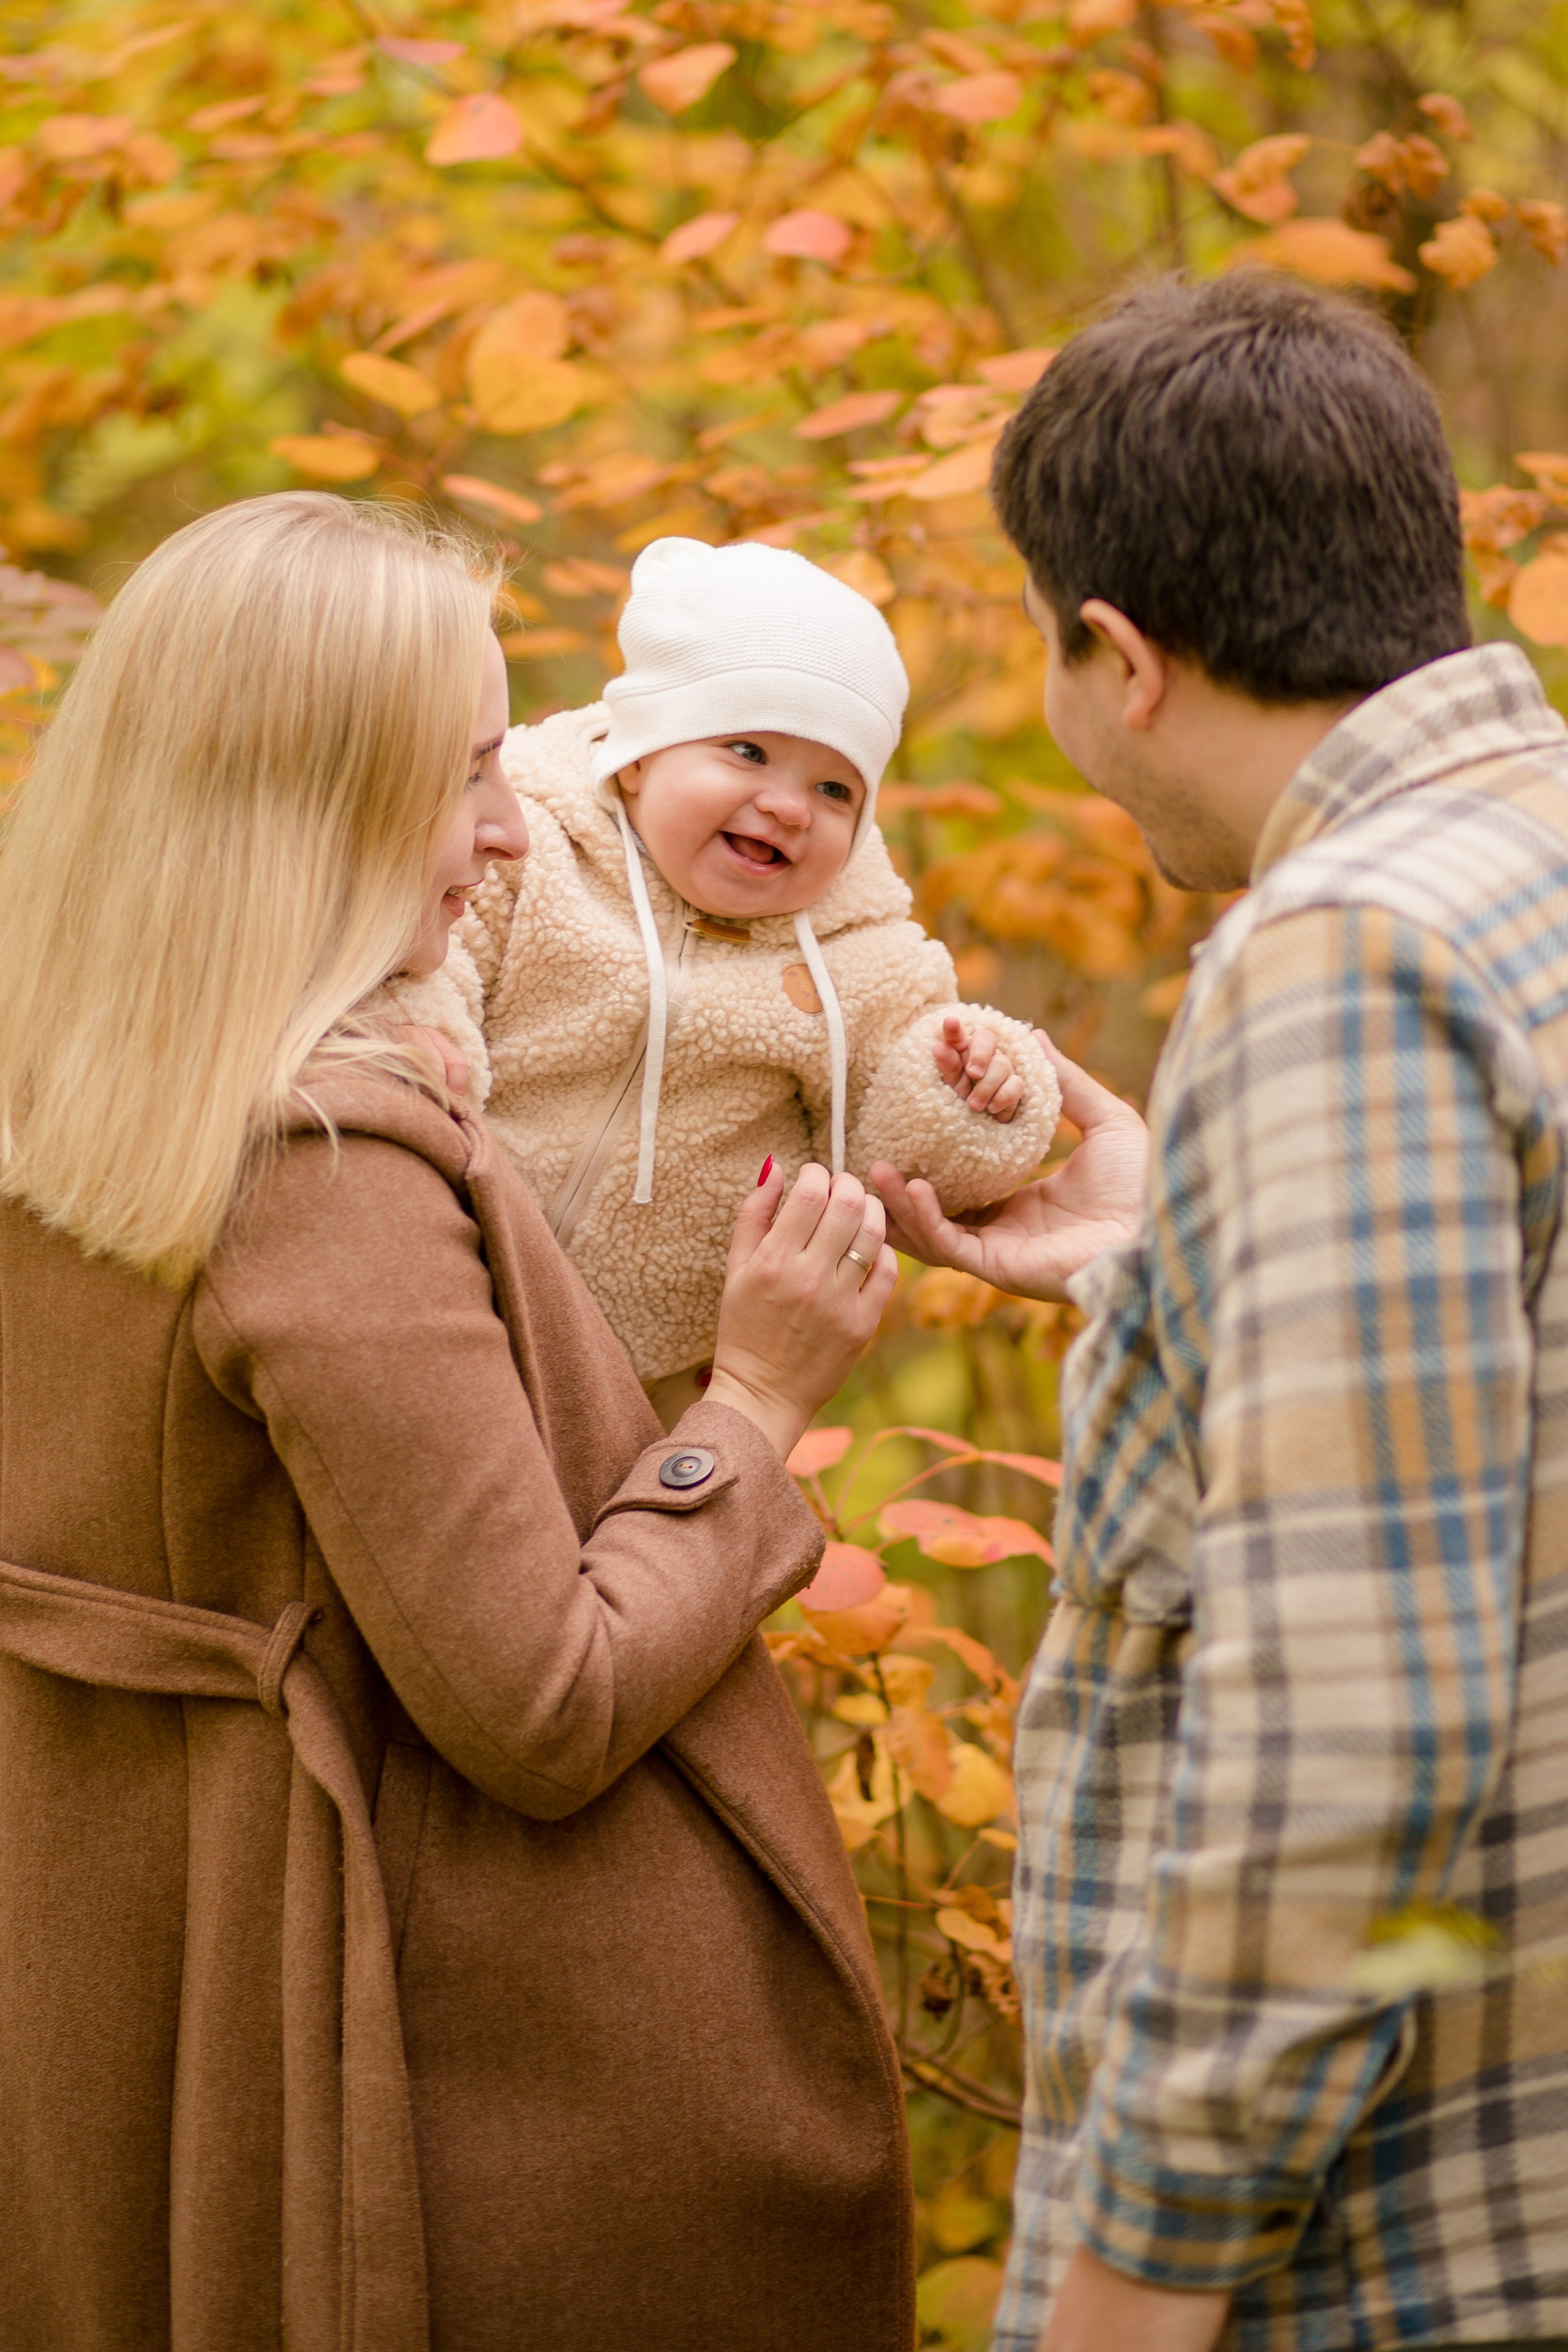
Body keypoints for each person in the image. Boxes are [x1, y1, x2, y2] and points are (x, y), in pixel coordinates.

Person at [0, 489, 918, 2352]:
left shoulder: (65, 1092)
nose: (513, 836)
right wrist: (752, 1401)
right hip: (353, 2056)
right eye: (472, 773)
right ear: (302, 803)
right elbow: (548, 1703)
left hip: (104, 2003)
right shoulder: (320, 1165)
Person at [872, 272, 1568, 2352]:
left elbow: (1346, 1739)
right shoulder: (1521, 873)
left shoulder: (1344, 961)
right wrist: (1164, 1246)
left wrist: (1135, 2286)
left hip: (1388, 2256)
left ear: (1117, 656)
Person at [388, 533, 1059, 1421]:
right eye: (747, 751)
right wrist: (420, 1039)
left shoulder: (857, 951)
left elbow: (894, 1146)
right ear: (637, 753)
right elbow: (429, 953)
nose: (788, 804)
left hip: (652, 1382)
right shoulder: (531, 849)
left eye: (835, 790)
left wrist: (971, 1088)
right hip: (446, 1291)